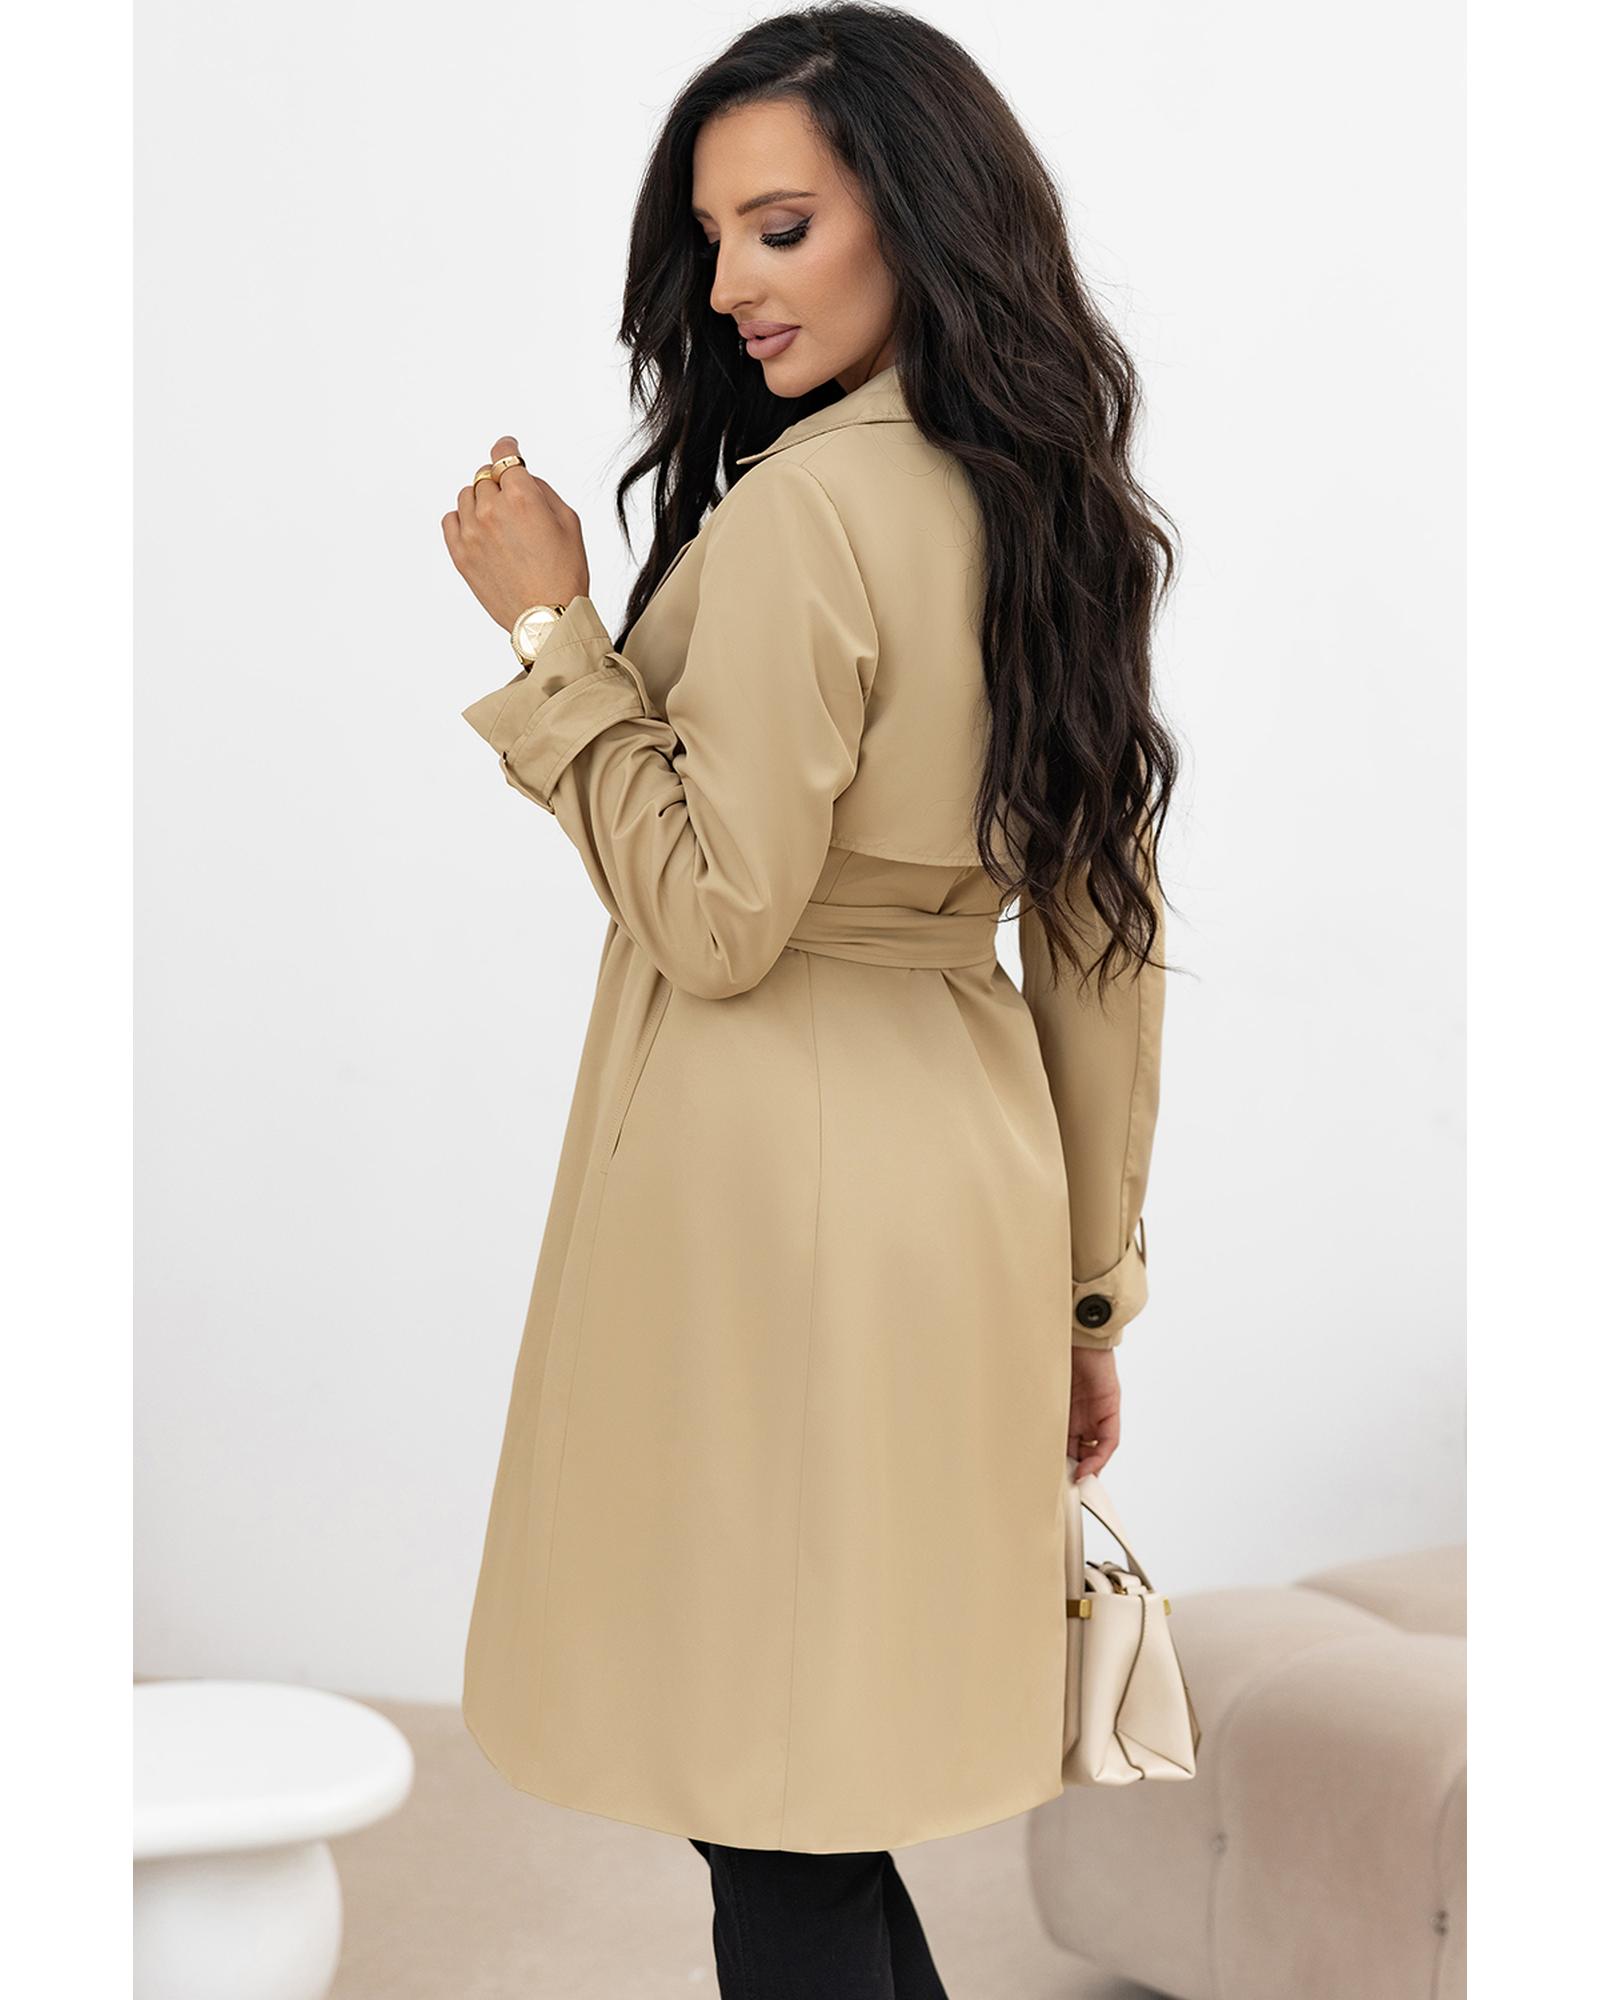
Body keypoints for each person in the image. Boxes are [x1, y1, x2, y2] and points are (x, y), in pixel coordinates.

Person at [440, 6, 1177, 1992]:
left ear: (917, 218)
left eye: (778, 228)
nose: (727, 287)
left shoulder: (811, 516)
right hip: (963, 1195)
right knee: (808, 1794)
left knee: (771, 1798)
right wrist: (1085, 1297)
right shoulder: (1052, 512)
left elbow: (713, 917)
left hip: (772, 1204)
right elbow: (1102, 945)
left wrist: (548, 626)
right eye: (711, 239)